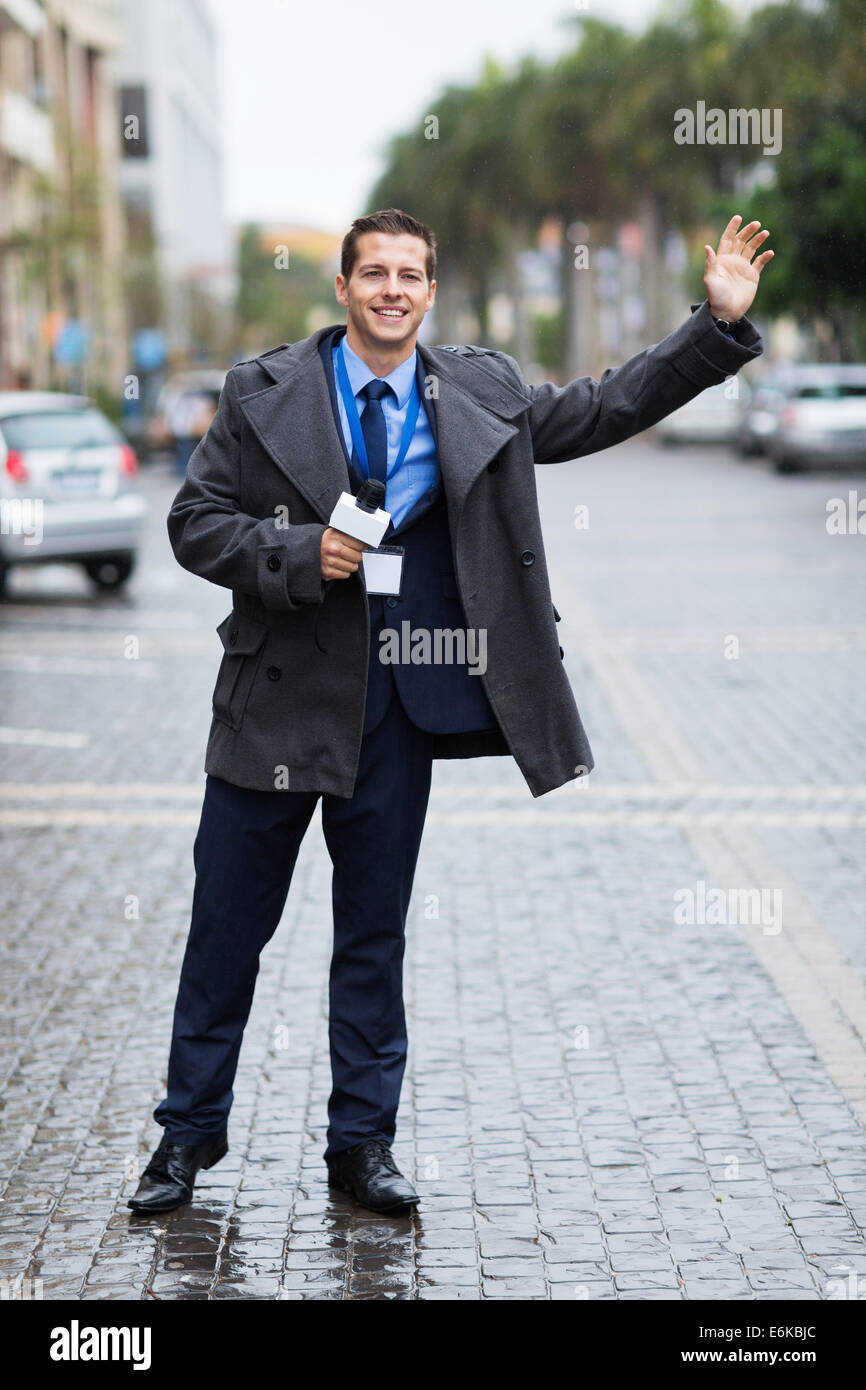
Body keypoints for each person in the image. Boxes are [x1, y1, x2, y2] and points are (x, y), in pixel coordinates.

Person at [128, 207, 772, 1215]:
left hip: (401, 703)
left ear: (430, 292)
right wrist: (299, 555)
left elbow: (600, 408)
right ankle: (185, 1138)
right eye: (373, 272)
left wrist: (714, 326)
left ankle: (361, 1144)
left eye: (410, 275)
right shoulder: (264, 391)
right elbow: (193, 522)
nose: (392, 289)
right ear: (342, 288)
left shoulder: (477, 389)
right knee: (223, 932)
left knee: (372, 936)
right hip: (275, 704)